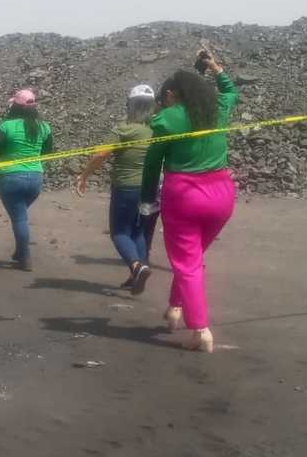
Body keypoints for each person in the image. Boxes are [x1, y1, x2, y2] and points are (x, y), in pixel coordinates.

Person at [139, 50, 238, 353]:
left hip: (184, 195)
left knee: (187, 263)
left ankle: (200, 330)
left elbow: (152, 163)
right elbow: (230, 91)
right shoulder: (218, 108)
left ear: (171, 94)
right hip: (222, 194)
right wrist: (216, 68)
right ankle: (175, 306)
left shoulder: (166, 119)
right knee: (192, 259)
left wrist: (147, 199)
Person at [75, 84, 158, 294]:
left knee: (120, 232)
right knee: (138, 231)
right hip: (151, 188)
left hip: (127, 187)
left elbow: (101, 155)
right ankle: (137, 272)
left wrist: (84, 176)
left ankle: (137, 267)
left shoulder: (124, 129)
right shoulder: (158, 130)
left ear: (130, 105)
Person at [0, 88, 53, 271]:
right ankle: (19, 251)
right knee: (20, 215)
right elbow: (48, 151)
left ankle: (25, 257)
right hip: (35, 179)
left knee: (19, 218)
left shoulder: (6, 126)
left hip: (9, 177)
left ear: (15, 106)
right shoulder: (44, 127)